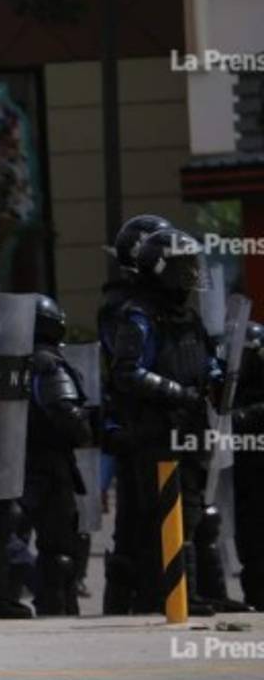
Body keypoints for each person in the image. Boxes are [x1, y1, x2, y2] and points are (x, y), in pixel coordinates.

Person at [109, 227, 220, 616]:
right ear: (159, 268)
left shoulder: (188, 316)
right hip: (157, 431)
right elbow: (127, 372)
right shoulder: (138, 315)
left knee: (192, 514)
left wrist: (218, 381)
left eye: (193, 266)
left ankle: (186, 594)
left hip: (193, 427)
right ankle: (166, 595)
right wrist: (177, 393)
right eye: (182, 266)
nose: (191, 274)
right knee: (162, 515)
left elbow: (205, 363)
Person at [98, 214, 171, 614]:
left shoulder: (159, 302)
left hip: (158, 423)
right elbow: (127, 371)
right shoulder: (124, 306)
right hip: (134, 423)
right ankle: (136, 599)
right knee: (138, 519)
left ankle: (166, 593)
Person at [23, 296, 92, 615]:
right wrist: (88, 430)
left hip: (12, 462)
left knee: (5, 537)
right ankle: (57, 607)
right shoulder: (48, 363)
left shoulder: (13, 362)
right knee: (59, 545)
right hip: (49, 464)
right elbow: (65, 411)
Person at [232, 321, 264, 610]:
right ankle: (254, 598)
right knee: (249, 544)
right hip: (245, 475)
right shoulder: (236, 386)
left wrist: (240, 418)